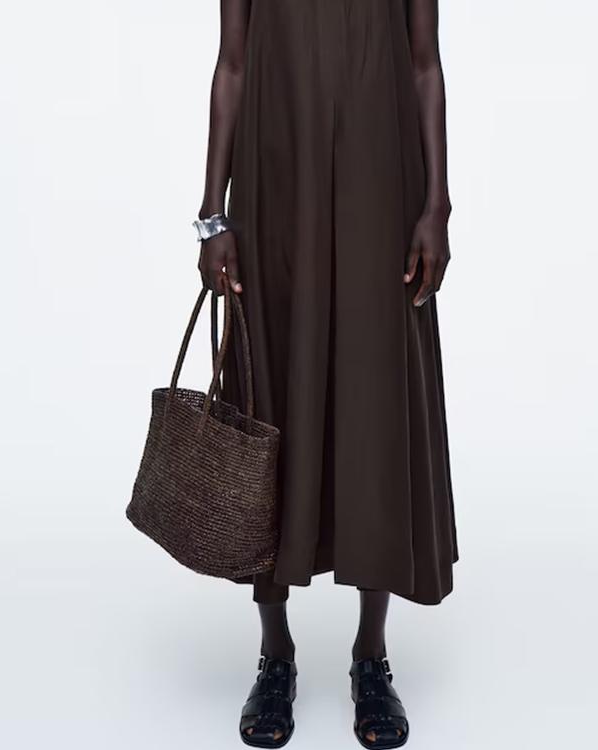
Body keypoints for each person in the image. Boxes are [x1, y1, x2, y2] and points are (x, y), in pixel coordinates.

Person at [195, 1, 458, 747]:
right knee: (270, 400)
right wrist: (213, 215)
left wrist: (437, 206)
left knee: (373, 401)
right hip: (275, 184)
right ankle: (274, 652)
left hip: (382, 186)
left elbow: (425, 64)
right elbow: (232, 63)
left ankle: (371, 654)